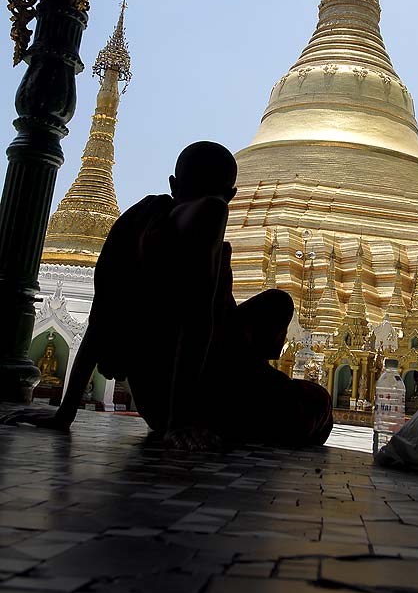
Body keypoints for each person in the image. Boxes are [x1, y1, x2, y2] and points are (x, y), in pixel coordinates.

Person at [3, 142, 332, 450]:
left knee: (276, 302)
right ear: (232, 195)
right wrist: (181, 422)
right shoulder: (212, 212)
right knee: (318, 405)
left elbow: (99, 321)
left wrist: (66, 412)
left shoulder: (134, 221)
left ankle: (246, 382)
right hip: (198, 401)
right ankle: (242, 390)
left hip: (160, 397)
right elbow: (196, 322)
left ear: (174, 184)